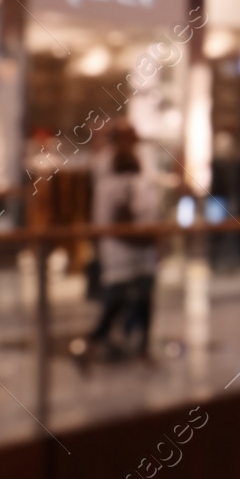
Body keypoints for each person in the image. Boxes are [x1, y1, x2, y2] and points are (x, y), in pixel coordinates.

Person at [80, 124, 160, 363]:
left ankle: (138, 343)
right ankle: (99, 340)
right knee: (118, 297)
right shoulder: (107, 177)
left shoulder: (138, 182)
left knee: (141, 297)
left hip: (138, 249)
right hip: (120, 248)